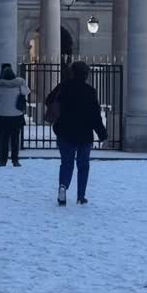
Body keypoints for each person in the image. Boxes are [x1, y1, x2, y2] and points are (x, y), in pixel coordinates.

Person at [53, 61, 107, 206]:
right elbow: (95, 115)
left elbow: (48, 101)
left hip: (65, 131)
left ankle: (63, 186)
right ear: (86, 74)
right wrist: (102, 133)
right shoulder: (90, 91)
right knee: (83, 165)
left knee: (67, 163)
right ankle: (81, 196)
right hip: (84, 133)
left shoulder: (63, 87)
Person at [0, 63, 30, 167]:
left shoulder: (0, 85)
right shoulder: (19, 84)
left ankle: (3, 160)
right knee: (15, 140)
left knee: (4, 139)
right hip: (17, 115)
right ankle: (15, 159)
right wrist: (23, 83)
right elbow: (27, 91)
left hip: (3, 115)